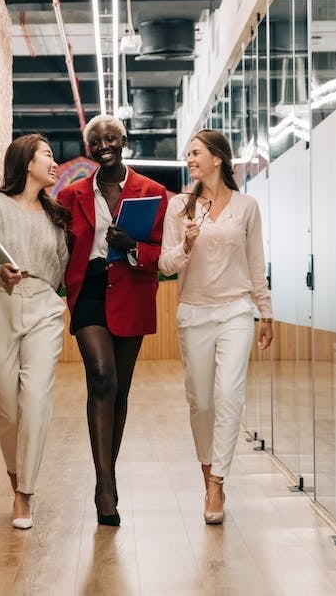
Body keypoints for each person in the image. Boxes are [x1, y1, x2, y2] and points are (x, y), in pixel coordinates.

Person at [58, 115, 168, 527]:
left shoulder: (152, 193)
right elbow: (58, 240)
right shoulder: (71, 195)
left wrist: (133, 245)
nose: (104, 145)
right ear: (88, 149)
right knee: (101, 377)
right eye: (96, 141)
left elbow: (162, 253)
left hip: (133, 289)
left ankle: (110, 470)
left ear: (124, 141)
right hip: (89, 287)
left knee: (119, 388)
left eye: (111, 138)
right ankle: (104, 486)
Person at [159, 129, 273, 525]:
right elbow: (164, 265)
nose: (189, 159)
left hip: (236, 312)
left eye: (195, 153)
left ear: (217, 159)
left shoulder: (247, 206)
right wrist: (186, 246)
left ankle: (218, 482)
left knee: (228, 393)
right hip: (194, 313)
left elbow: (256, 263)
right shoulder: (179, 207)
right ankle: (207, 470)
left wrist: (266, 311)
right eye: (188, 154)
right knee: (202, 402)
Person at [0, 134, 70, 530]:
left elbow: (60, 267)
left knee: (36, 398)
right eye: (49, 155)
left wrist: (42, 289)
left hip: (43, 306)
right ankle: (15, 477)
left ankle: (25, 493)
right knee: (9, 406)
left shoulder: (55, 216)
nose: (55, 163)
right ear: (27, 162)